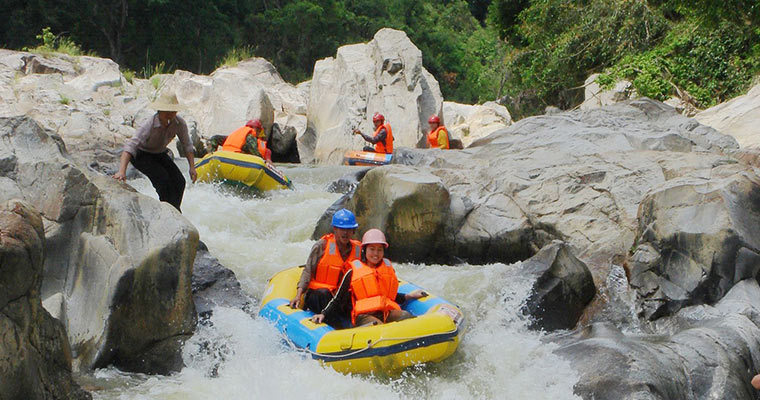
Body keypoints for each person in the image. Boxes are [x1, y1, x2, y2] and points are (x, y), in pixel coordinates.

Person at [311, 229, 426, 326]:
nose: (376, 254)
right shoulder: (353, 271)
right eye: (372, 249)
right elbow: (338, 298)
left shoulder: (386, 269)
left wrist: (409, 296)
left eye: (379, 250)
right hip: (363, 316)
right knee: (378, 326)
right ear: (364, 250)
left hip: (384, 311)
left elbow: (388, 295)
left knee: (405, 316)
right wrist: (323, 313)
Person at [112, 92, 196, 211]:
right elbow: (130, 146)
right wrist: (122, 171)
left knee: (180, 181)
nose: (170, 116)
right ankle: (168, 210)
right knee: (163, 180)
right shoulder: (149, 124)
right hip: (141, 154)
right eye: (167, 113)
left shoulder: (179, 123)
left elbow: (187, 145)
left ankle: (175, 209)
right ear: (159, 111)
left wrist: (192, 167)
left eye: (173, 112)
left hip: (159, 153)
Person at [289, 209, 362, 326]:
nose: (345, 233)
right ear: (335, 229)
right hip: (318, 295)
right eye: (342, 229)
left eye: (349, 229)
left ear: (353, 231)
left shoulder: (359, 250)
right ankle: (338, 328)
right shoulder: (321, 246)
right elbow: (308, 271)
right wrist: (298, 295)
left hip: (340, 297)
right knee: (324, 295)